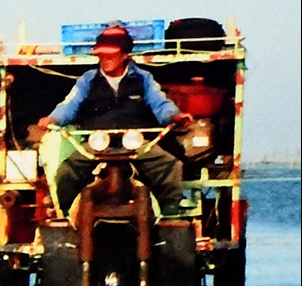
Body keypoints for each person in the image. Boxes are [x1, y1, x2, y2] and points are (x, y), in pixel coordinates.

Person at [33, 24, 191, 217]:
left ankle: (170, 214)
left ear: (125, 55)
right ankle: (65, 214)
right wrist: (52, 119)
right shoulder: (88, 80)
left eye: (111, 55)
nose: (105, 60)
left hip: (136, 143)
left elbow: (160, 104)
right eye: (101, 55)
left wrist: (175, 116)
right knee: (67, 172)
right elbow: (69, 105)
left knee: (169, 165)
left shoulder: (144, 78)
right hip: (96, 144)